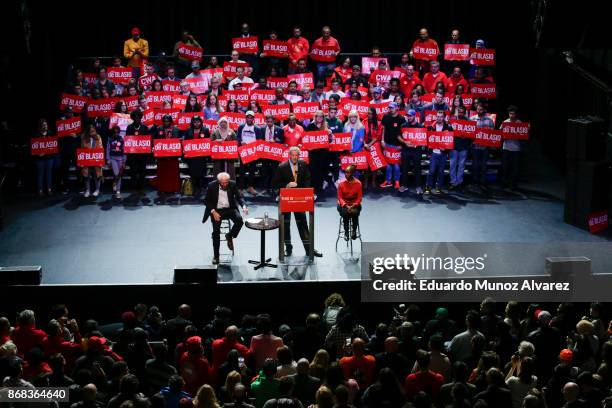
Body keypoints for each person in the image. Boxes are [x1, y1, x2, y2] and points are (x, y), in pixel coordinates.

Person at [272, 146, 322, 258]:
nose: (294, 157)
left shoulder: (303, 164)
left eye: (296, 155)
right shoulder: (282, 167)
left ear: (299, 156)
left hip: (300, 199)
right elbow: (275, 184)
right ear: (289, 155)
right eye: (292, 155)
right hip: (286, 199)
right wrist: (286, 185)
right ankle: (288, 248)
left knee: (303, 224)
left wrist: (305, 192)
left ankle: (309, 249)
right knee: (286, 225)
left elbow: (308, 179)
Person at [202, 172, 248, 265]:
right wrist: (213, 211)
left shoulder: (232, 184)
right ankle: (216, 256)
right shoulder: (211, 185)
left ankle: (229, 235)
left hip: (230, 209)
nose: (225, 184)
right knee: (216, 232)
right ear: (219, 181)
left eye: (226, 182)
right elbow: (206, 200)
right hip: (217, 210)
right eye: (223, 182)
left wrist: (243, 206)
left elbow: (239, 197)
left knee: (239, 221)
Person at [152, 114, 181, 195]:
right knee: (162, 173)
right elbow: (155, 140)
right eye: (164, 121)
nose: (166, 122)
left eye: (168, 121)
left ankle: (174, 188)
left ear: (171, 121)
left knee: (173, 173)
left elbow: (178, 141)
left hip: (173, 155)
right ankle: (162, 188)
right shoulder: (159, 129)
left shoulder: (176, 129)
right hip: (162, 156)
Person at [236, 111, 264, 195]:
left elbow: (259, 140)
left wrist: (254, 145)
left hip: (253, 152)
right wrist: (241, 142)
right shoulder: (241, 127)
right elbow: (238, 137)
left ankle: (250, 187)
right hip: (244, 152)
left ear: (253, 119)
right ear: (245, 118)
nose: (249, 119)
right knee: (242, 170)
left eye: (251, 117)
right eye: (248, 117)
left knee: (252, 170)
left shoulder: (257, 128)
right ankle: (241, 188)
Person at [425, 110, 452, 194]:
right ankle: (428, 187)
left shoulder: (448, 127)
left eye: (441, 117)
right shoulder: (431, 127)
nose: (439, 118)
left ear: (443, 117)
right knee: (431, 171)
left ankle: (439, 187)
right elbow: (427, 140)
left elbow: (450, 141)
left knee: (441, 171)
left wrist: (446, 149)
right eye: (438, 116)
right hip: (433, 152)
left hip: (443, 154)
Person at [380, 102, 406, 189]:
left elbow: (405, 133)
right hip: (387, 144)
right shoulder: (386, 117)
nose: (390, 109)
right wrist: (382, 140)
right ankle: (388, 181)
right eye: (389, 108)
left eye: (392, 108)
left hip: (397, 146)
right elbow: (383, 129)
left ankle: (397, 181)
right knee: (387, 165)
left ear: (397, 108)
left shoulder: (402, 119)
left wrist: (402, 145)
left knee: (396, 165)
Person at [469, 102, 495, 191]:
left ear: (484, 110)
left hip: (485, 148)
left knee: (484, 166)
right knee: (475, 165)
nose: (479, 110)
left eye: (481, 109)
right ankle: (474, 182)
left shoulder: (489, 120)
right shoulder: (471, 119)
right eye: (478, 109)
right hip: (475, 147)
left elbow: (492, 134)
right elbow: (469, 132)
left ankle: (482, 183)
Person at [305, 111, 332, 195]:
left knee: (322, 171)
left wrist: (330, 135)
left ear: (323, 118)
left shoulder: (326, 126)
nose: (319, 118)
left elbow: (330, 140)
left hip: (323, 153)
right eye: (318, 116)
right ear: (315, 117)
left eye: (321, 116)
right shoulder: (310, 126)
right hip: (313, 153)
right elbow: (306, 138)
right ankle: (313, 189)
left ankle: (320, 189)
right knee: (313, 171)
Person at [183, 115, 210, 197]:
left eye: (198, 122)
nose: (196, 123)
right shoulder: (188, 130)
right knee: (193, 172)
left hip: (201, 156)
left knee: (201, 172)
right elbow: (186, 142)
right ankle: (194, 188)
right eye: (194, 122)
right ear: (192, 122)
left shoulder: (205, 130)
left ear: (201, 122)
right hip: (192, 156)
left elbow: (208, 141)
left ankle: (200, 188)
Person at [398, 109, 425, 194]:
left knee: (417, 169)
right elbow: (398, 136)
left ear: (414, 116)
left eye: (410, 116)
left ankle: (418, 186)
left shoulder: (420, 126)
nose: (409, 117)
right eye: (408, 116)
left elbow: (423, 139)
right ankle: (404, 185)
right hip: (406, 150)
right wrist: (404, 142)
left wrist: (418, 144)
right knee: (405, 168)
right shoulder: (403, 125)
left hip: (416, 151)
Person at [501, 105, 524, 191]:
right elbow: (500, 134)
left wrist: (527, 130)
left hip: (516, 149)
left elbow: (523, 135)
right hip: (506, 148)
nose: (511, 115)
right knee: (505, 167)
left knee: (515, 168)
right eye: (510, 114)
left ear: (516, 114)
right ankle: (504, 183)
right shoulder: (505, 122)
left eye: (513, 114)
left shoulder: (519, 123)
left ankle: (513, 185)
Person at [449, 105, 472, 190]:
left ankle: (459, 182)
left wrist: (465, 137)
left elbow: (471, 136)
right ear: (457, 112)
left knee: (461, 166)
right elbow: (449, 133)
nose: (460, 113)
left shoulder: (469, 122)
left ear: (465, 113)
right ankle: (453, 182)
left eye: (462, 112)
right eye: (459, 112)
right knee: (452, 165)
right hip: (454, 147)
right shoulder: (453, 121)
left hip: (464, 147)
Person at [336, 165, 362, 241]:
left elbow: (359, 198)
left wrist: (353, 205)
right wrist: (346, 206)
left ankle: (354, 231)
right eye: (345, 173)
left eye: (348, 173)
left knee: (355, 213)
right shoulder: (341, 184)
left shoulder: (358, 183)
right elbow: (340, 198)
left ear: (352, 173)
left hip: (354, 204)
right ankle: (346, 232)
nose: (346, 174)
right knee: (345, 214)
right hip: (344, 204)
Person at [32, 119, 56, 196]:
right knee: (40, 174)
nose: (45, 126)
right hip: (39, 158)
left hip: (49, 158)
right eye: (44, 125)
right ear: (40, 126)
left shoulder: (50, 133)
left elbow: (54, 145)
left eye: (46, 125)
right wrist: (38, 153)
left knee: (49, 174)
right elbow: (33, 147)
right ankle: (40, 190)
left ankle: (49, 190)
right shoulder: (36, 134)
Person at [261, 114, 284, 192]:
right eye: (268, 121)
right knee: (265, 171)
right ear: (266, 121)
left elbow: (282, 141)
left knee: (275, 171)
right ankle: (265, 188)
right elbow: (259, 141)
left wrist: (275, 141)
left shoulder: (280, 129)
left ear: (274, 121)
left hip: (275, 153)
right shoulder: (262, 129)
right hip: (265, 153)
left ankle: (274, 187)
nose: (269, 123)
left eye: (271, 121)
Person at [80, 124, 104, 198]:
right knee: (86, 175)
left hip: (96, 159)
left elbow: (100, 147)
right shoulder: (84, 137)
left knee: (97, 175)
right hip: (87, 159)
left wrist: (95, 155)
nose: (92, 129)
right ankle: (87, 190)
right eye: (90, 128)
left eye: (93, 128)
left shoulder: (98, 137)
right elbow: (82, 148)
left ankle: (97, 190)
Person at [106, 125, 126, 199]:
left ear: (119, 132)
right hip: (113, 158)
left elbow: (124, 151)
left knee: (119, 174)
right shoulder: (110, 139)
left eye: (117, 132)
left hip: (120, 159)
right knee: (116, 173)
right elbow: (107, 150)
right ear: (113, 132)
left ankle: (116, 187)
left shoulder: (121, 139)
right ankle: (117, 188)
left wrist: (124, 160)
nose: (116, 134)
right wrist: (108, 160)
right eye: (115, 132)